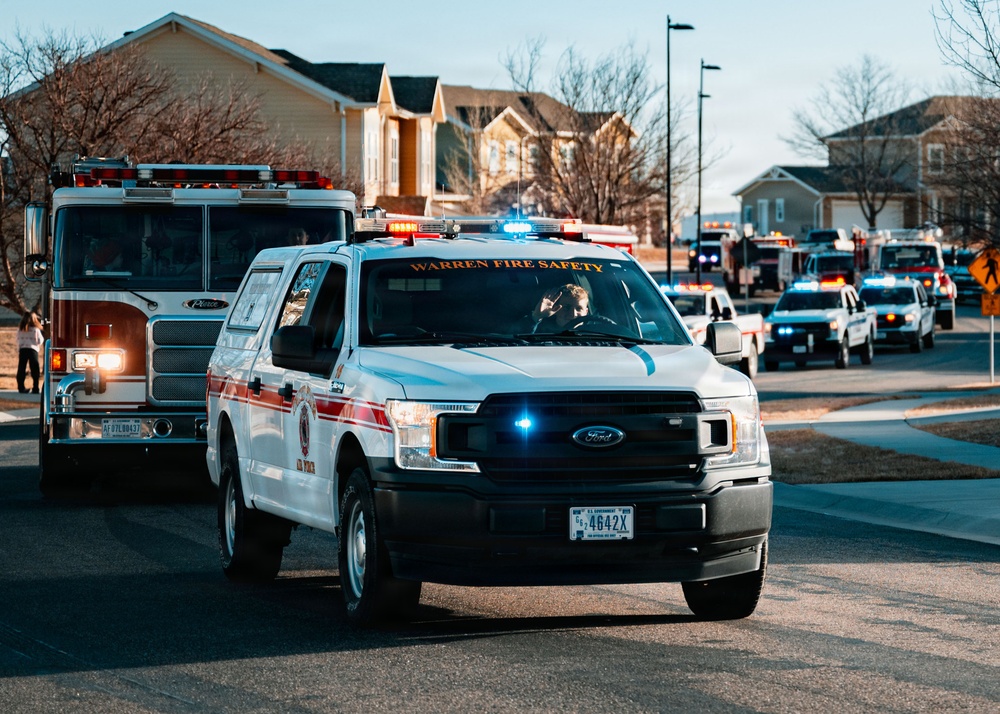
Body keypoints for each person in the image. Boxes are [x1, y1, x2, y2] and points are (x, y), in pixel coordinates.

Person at [518, 284, 590, 333]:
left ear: (586, 312)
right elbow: (517, 338)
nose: (573, 314)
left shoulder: (598, 334)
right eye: (566, 307)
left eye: (579, 308)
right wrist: (536, 317)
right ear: (555, 309)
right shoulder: (541, 332)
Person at [16, 311, 44, 394]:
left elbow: (17, 340)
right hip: (33, 350)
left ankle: (21, 387)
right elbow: (40, 340)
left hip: (23, 349)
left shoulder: (20, 330)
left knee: (21, 368)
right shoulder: (36, 330)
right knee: (35, 368)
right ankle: (35, 387)